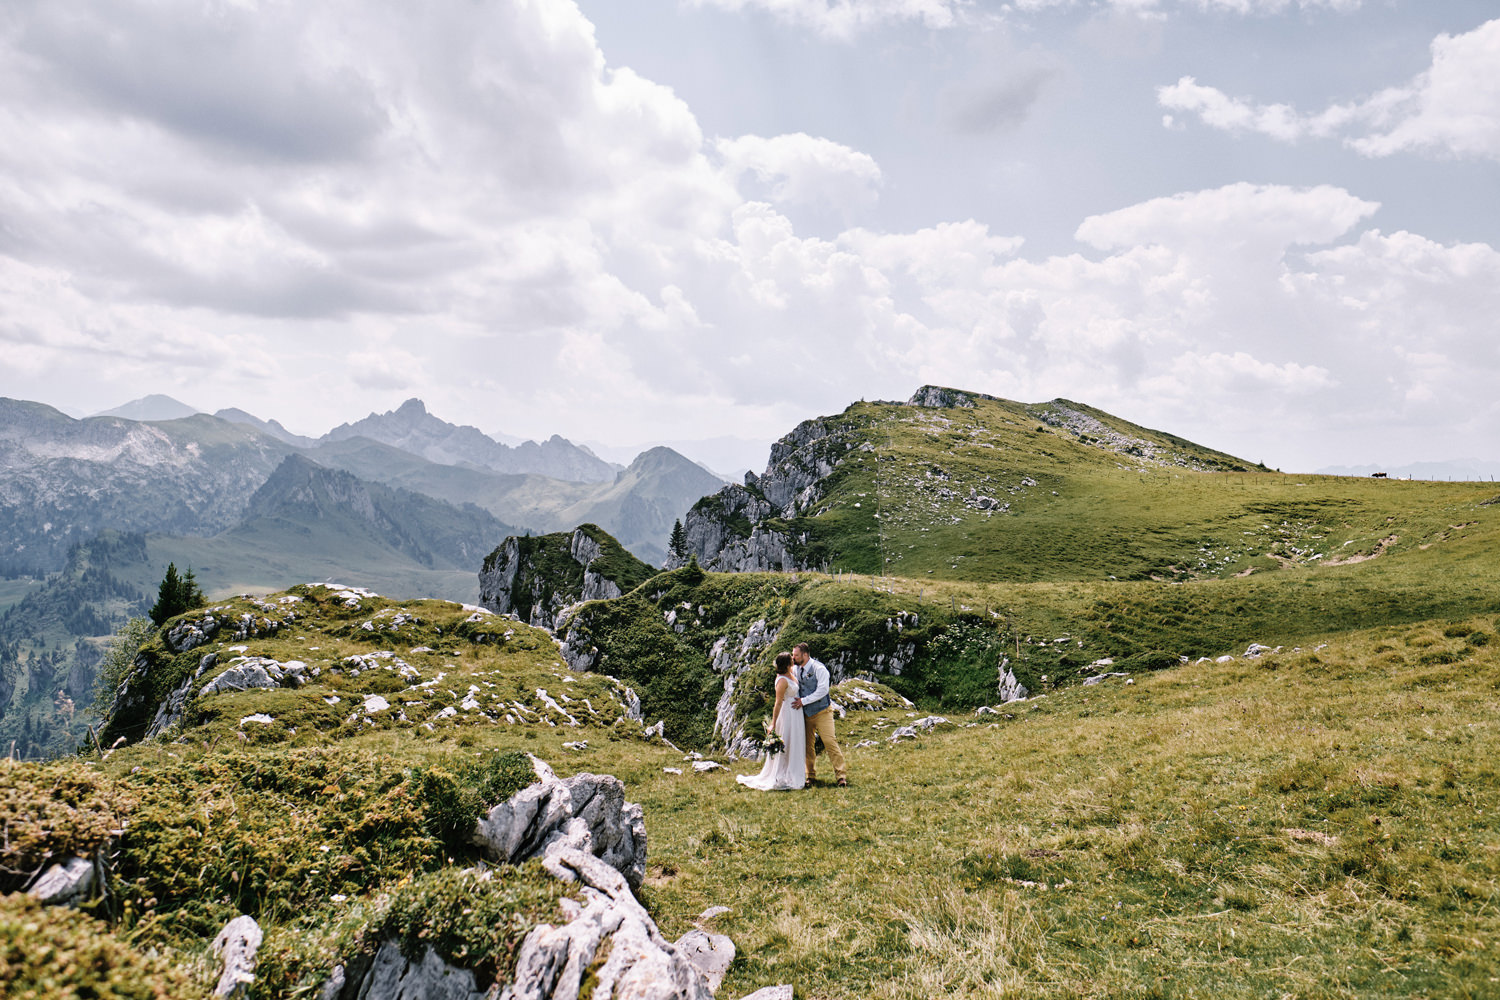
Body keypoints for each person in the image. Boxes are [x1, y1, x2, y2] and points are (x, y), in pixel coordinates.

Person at [736, 652, 806, 791]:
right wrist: (773, 723)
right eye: (791, 659)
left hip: (796, 713)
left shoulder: (791, 673)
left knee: (795, 741)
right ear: (787, 664)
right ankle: (783, 774)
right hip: (787, 714)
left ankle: (795, 771)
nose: (793, 660)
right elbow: (778, 702)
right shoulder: (781, 681)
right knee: (787, 740)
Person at [791, 641, 847, 788]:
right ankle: (810, 776)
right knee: (807, 746)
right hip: (805, 714)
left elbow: (823, 690)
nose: (793, 657)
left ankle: (841, 775)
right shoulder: (796, 669)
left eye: (796, 655)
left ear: (805, 655)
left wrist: (804, 701)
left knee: (829, 741)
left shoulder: (819, 669)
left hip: (823, 712)